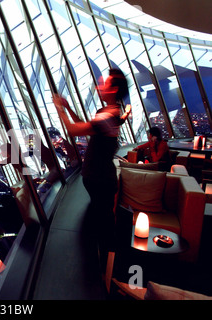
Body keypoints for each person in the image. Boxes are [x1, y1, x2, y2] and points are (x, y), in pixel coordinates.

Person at [52, 68, 131, 273]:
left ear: (113, 89)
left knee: (104, 228)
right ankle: (109, 268)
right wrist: (69, 109)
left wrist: (59, 108)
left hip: (100, 179)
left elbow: (73, 130)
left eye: (103, 83)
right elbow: (84, 125)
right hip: (100, 178)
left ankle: (111, 271)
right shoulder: (107, 113)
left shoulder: (108, 116)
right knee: (103, 222)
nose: (98, 86)